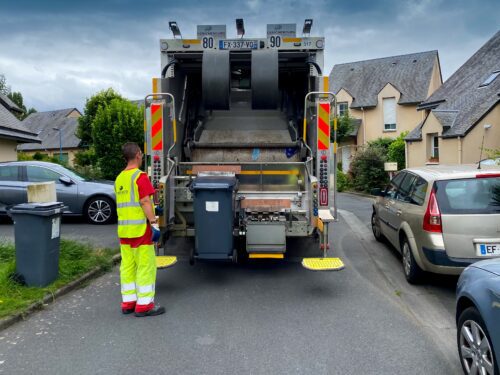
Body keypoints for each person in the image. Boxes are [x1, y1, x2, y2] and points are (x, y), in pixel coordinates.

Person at [114, 142, 164, 317]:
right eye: (141, 154)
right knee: (145, 266)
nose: (142, 157)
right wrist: (154, 222)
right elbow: (144, 201)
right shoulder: (140, 176)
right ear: (137, 155)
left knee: (127, 267)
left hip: (124, 232)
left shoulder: (120, 178)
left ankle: (129, 302)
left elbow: (132, 203)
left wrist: (153, 208)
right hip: (140, 231)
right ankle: (144, 305)